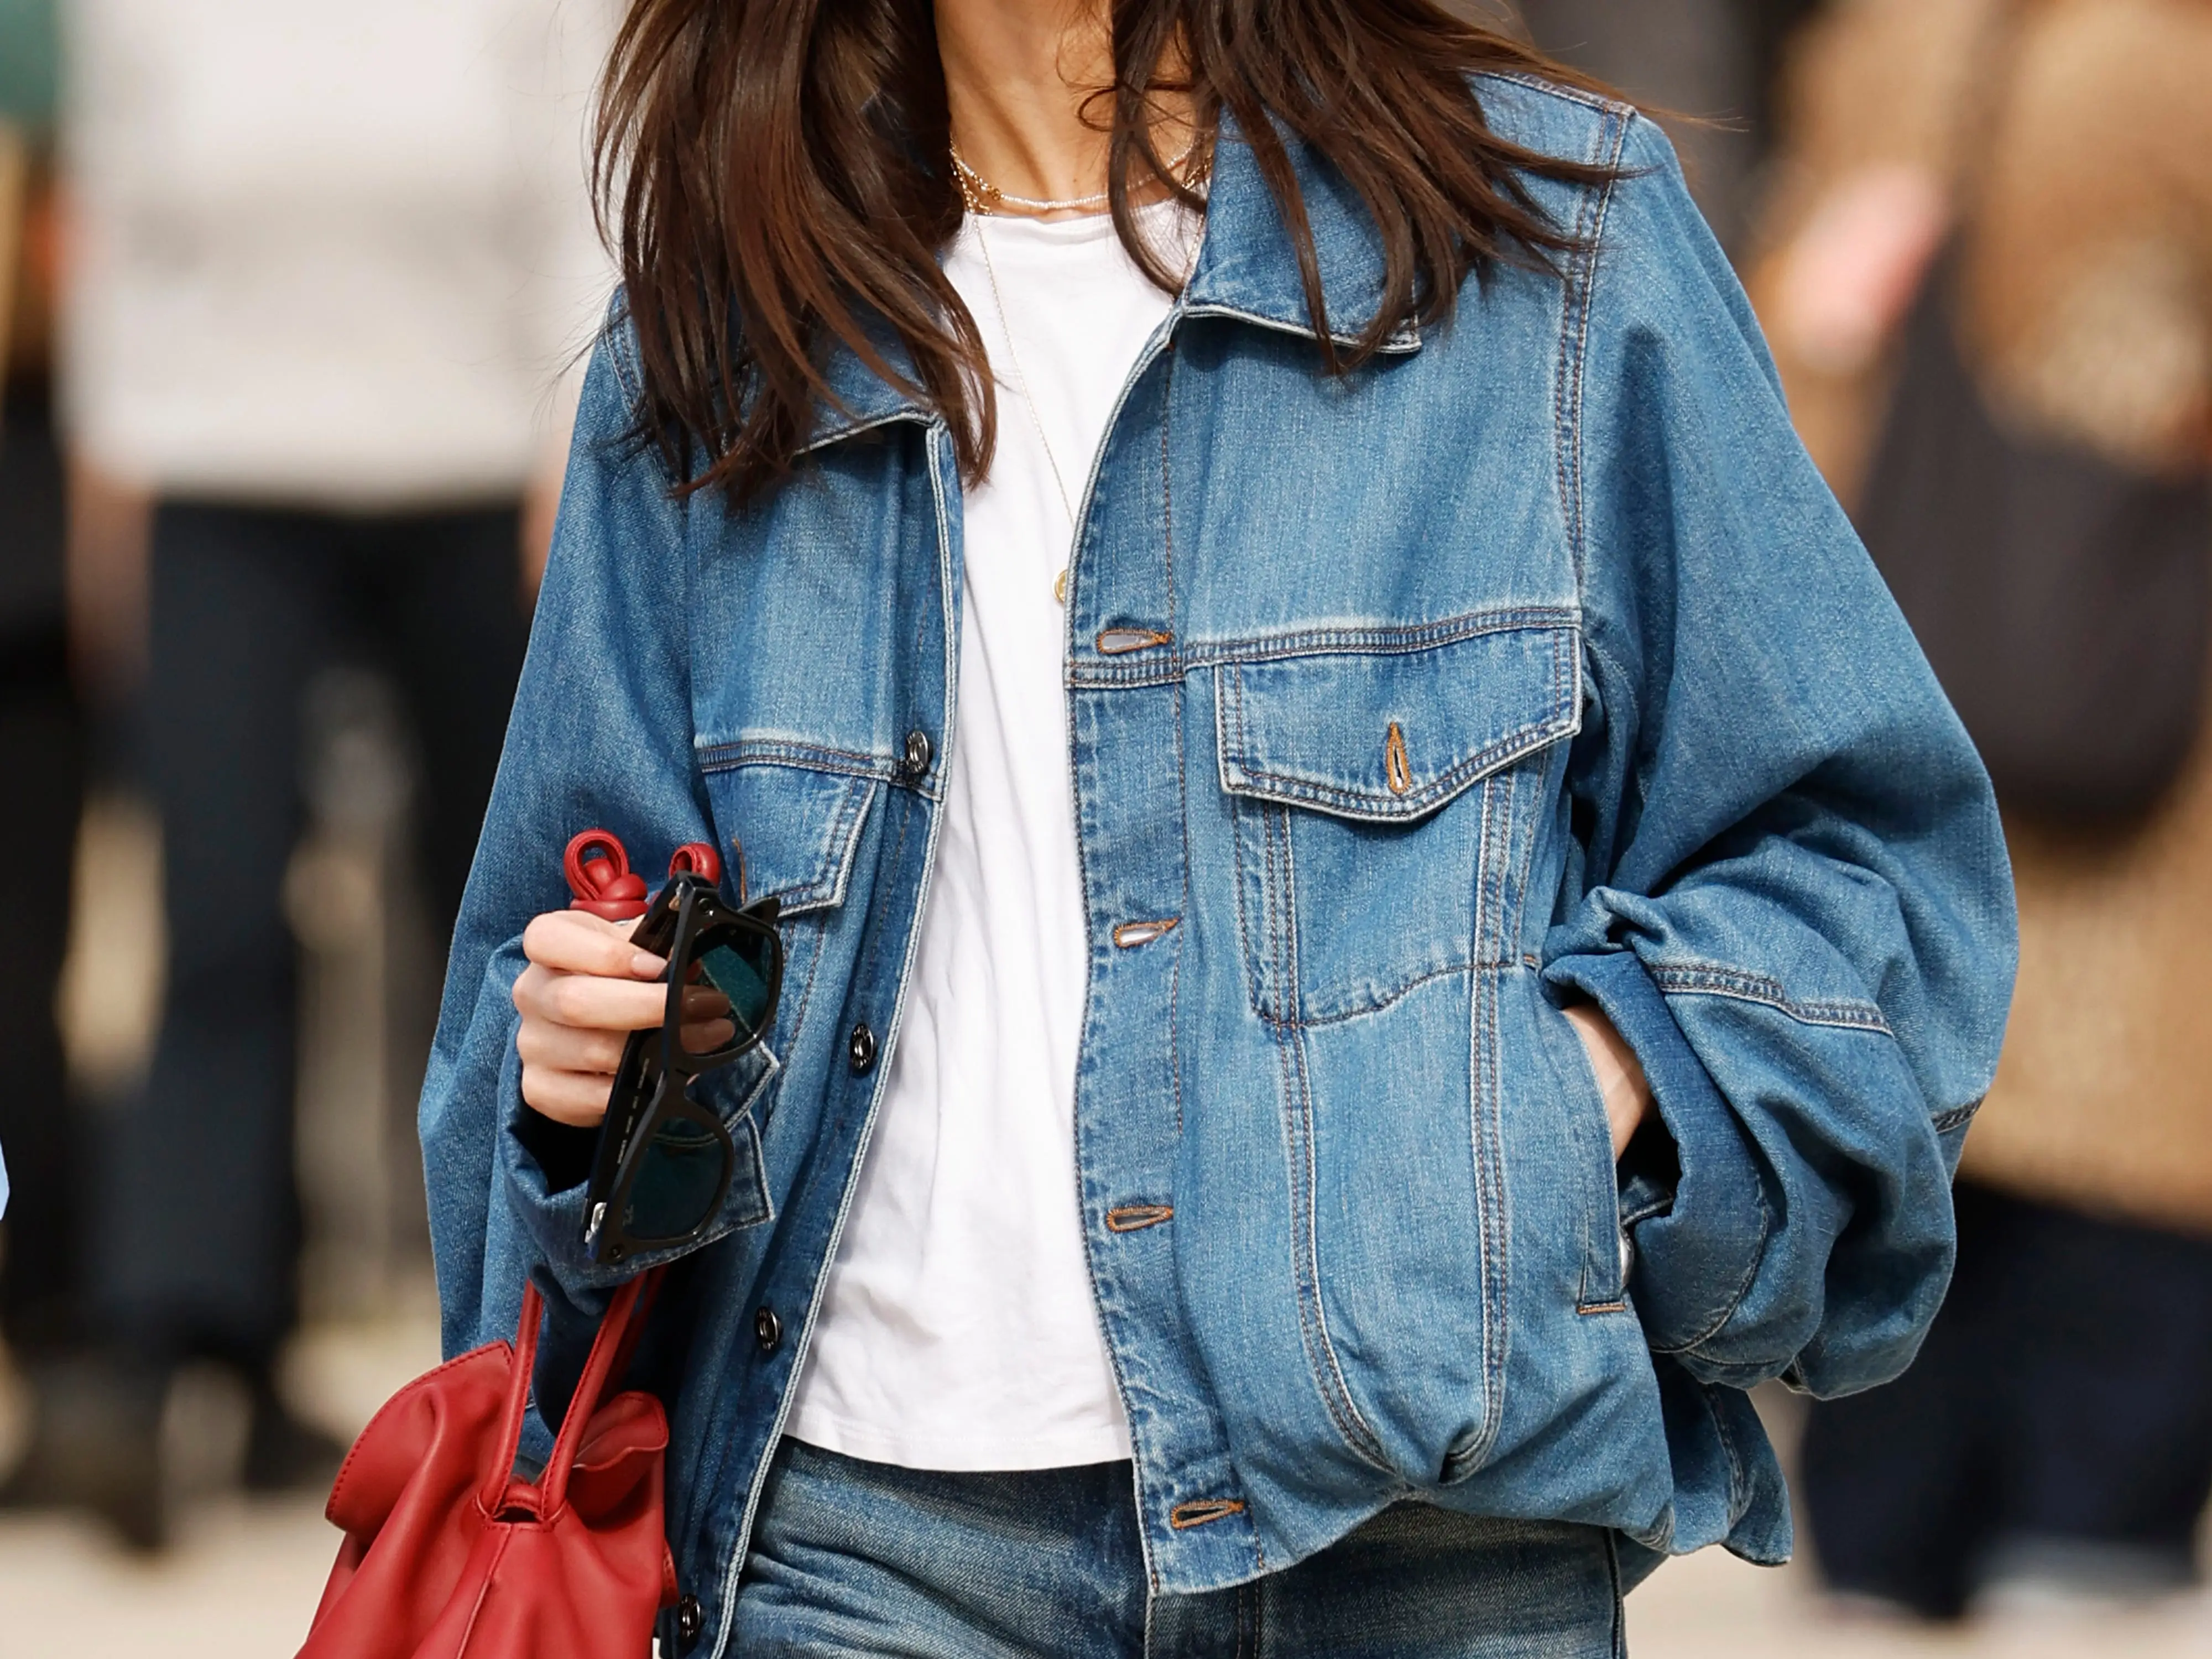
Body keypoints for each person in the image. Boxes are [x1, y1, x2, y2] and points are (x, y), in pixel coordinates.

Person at [421, 1, 2015, 1652]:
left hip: (1423, 1553)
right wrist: (587, 1076)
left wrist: (1574, 1096)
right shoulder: (723, 321)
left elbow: (1868, 880)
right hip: (863, 1554)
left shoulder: (1540, 240)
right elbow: (523, 1062)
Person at [15, 0, 617, 1550]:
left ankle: (539, 1353)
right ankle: (191, 1339)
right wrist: (104, 495)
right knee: (215, 919)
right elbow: (119, 236)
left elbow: (584, 197)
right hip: (217, 474)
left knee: (511, 932)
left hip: (479, 473)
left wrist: (581, 454)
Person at [1746, 0, 2212, 1619]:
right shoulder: (2172, 69)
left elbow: (1795, 332)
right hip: (2149, 773)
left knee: (1893, 1476)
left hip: (1896, 703)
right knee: (2098, 1509)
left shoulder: (1882, 42)